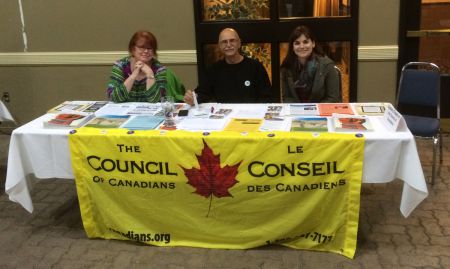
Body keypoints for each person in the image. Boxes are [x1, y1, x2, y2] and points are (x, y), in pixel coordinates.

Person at [183, 28, 273, 105]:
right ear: (220, 46)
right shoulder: (214, 70)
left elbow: (266, 97)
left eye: (232, 40)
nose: (229, 45)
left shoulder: (256, 67)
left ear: (239, 43)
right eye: (224, 42)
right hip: (223, 118)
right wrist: (193, 97)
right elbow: (203, 93)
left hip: (250, 117)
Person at [107, 30, 185, 103]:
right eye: (141, 47)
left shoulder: (159, 69)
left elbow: (155, 100)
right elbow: (114, 97)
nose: (146, 51)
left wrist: (149, 73)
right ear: (133, 49)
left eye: (149, 48)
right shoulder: (120, 66)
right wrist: (133, 75)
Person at [280, 25, 341, 103]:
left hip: (320, 112)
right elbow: (287, 97)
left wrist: (312, 110)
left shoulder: (327, 65)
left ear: (313, 44)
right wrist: (300, 112)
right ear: (292, 47)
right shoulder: (286, 66)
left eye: (305, 42)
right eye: (297, 43)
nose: (301, 46)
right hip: (296, 112)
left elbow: (333, 98)